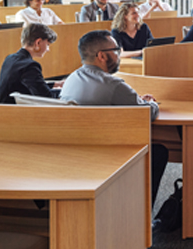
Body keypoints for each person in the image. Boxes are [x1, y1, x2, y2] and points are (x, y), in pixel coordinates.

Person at [59, 30, 170, 220]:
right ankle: (139, 221)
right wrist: (150, 102)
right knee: (158, 152)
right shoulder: (113, 84)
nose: (119, 54)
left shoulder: (71, 78)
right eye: (116, 50)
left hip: (74, 152)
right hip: (105, 155)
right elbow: (148, 113)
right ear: (101, 56)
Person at [0, 22, 62, 104]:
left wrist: (56, 84)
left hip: (0, 107)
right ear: (38, 43)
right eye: (47, 45)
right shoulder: (30, 66)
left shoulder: (10, 58)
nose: (48, 49)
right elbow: (46, 96)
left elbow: (33, 85)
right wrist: (66, 90)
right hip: (11, 112)